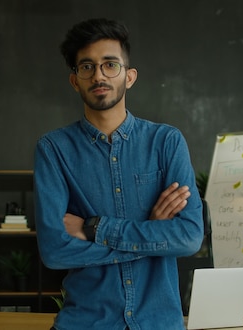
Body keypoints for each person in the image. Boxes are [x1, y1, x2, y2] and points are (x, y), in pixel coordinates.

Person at [34, 18, 204, 330]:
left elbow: (189, 237)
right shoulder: (53, 149)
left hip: (159, 322)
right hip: (86, 322)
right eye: (87, 67)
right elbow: (55, 251)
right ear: (75, 80)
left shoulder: (166, 142)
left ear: (129, 76)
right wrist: (151, 234)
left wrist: (95, 228)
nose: (98, 75)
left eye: (110, 64)